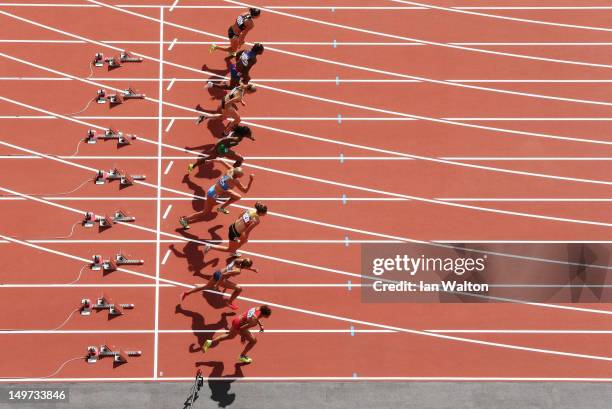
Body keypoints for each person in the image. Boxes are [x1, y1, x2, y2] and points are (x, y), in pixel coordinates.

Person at [179, 166, 254, 229]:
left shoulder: (229, 171)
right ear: (238, 176)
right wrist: (251, 180)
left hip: (212, 190)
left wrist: (214, 160)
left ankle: (222, 207)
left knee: (233, 195)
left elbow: (222, 162)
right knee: (205, 212)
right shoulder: (235, 181)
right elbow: (245, 190)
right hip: (214, 196)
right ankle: (184, 219)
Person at [180, 257, 258, 310]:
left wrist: (252, 269)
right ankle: (229, 302)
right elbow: (224, 275)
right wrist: (217, 285)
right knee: (239, 289)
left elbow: (243, 265)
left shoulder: (238, 261)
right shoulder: (237, 271)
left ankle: (186, 293)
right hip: (221, 278)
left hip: (217, 273)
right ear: (245, 266)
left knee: (206, 286)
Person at [202, 305, 271, 364]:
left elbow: (255, 316)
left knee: (230, 336)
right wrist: (243, 337)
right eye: (267, 316)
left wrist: (260, 324)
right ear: (264, 314)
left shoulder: (257, 308)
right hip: (239, 325)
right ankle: (242, 356)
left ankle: (210, 342)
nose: (268, 317)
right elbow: (242, 328)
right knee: (253, 341)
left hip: (237, 320)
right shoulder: (253, 321)